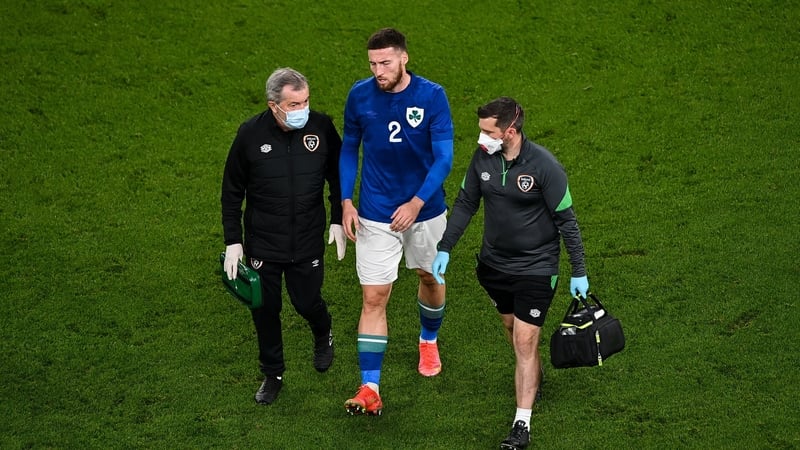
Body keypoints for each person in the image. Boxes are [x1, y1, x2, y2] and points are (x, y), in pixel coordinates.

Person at [431, 97, 589, 450]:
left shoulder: (545, 167)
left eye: (488, 132)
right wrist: (445, 246)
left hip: (536, 268)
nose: (481, 139)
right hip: (494, 267)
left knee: (524, 340)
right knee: (512, 331)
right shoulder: (483, 158)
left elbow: (568, 221)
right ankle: (533, 373)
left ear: (511, 132)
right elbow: (467, 203)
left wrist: (579, 271)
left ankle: (521, 424)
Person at [339, 28, 454, 416]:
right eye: (372, 63)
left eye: (385, 62)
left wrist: (417, 202)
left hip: (426, 210)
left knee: (429, 278)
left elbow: (444, 159)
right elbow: (348, 150)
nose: (378, 71)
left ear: (404, 57)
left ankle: (428, 339)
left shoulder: (432, 96)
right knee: (373, 297)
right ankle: (370, 387)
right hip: (374, 212)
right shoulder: (359, 95)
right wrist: (346, 201)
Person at [221, 67, 346, 405]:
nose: (301, 110)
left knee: (307, 302)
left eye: (305, 101)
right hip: (264, 243)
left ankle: (323, 333)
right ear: (273, 105)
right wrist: (234, 241)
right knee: (265, 309)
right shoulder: (249, 135)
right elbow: (232, 191)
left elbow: (338, 175)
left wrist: (337, 218)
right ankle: (273, 373)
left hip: (307, 240)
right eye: (293, 104)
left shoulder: (321, 127)